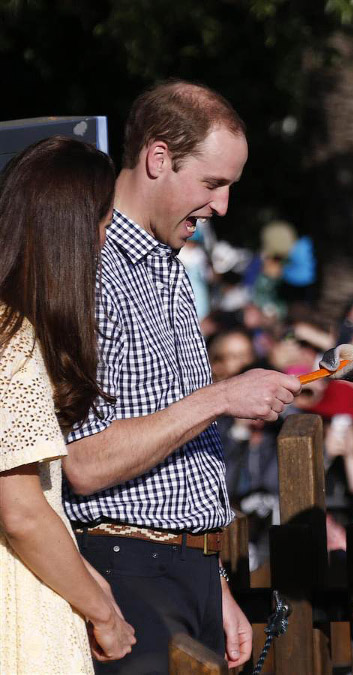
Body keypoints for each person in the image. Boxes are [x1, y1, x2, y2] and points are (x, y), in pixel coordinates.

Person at [62, 80, 301, 673]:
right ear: (158, 158)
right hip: (120, 571)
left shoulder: (169, 267)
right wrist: (222, 397)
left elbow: (179, 472)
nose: (221, 207)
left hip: (184, 571)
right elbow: (84, 463)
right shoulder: (90, 268)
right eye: (213, 184)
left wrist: (211, 580)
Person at [0, 137, 136, 672]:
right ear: (72, 231)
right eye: (104, 220)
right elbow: (21, 512)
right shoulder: (10, 335)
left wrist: (89, 580)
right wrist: (103, 613)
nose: (108, 239)